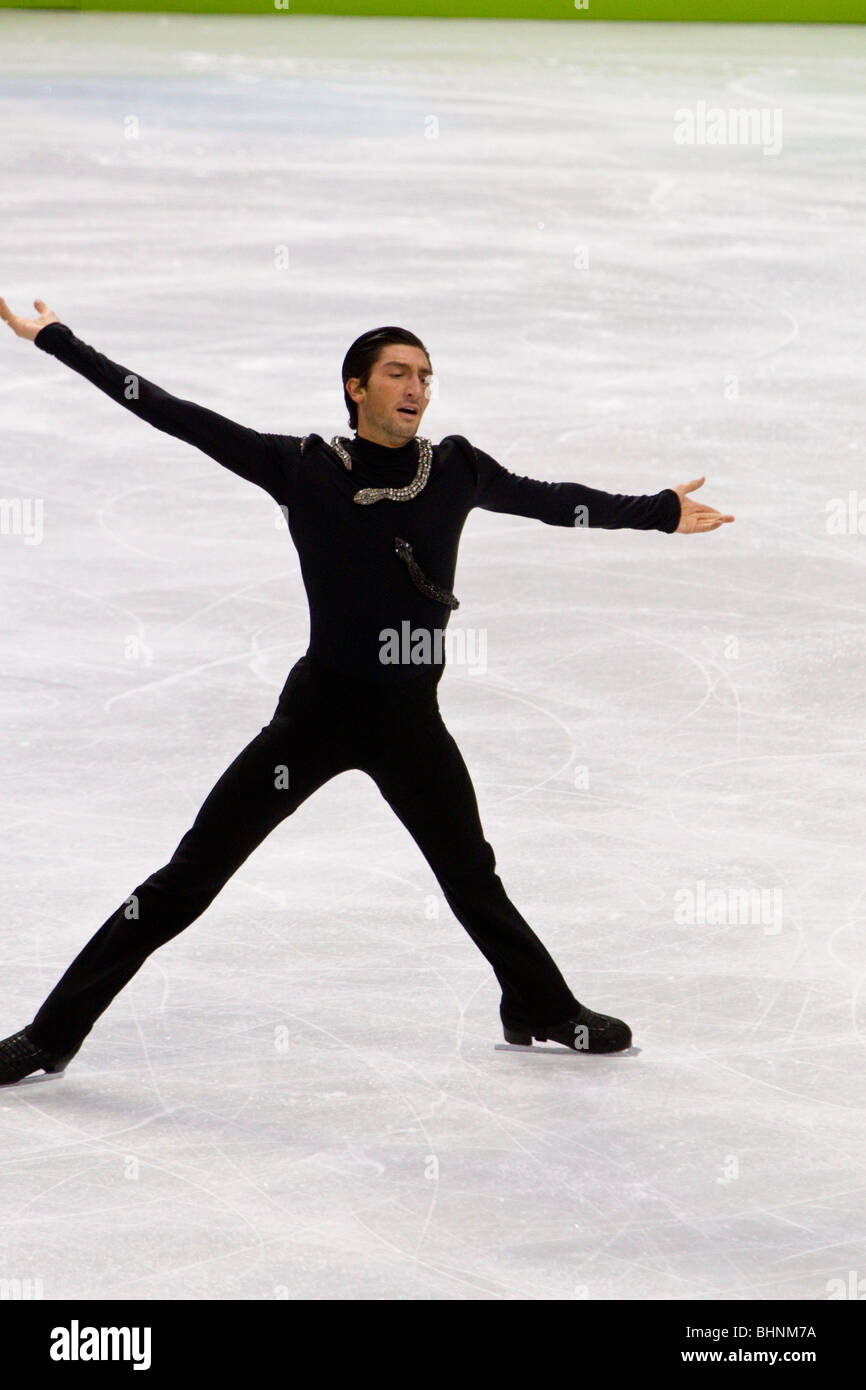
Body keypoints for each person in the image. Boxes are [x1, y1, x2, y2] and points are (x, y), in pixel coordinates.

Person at [0, 296, 734, 1085]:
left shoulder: (455, 468)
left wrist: (659, 512)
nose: (417, 387)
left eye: (425, 375)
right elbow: (174, 414)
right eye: (398, 372)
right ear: (357, 387)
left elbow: (553, 501)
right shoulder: (303, 467)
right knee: (187, 880)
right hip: (315, 719)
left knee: (471, 876)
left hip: (408, 723)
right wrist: (58, 341)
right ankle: (52, 1033)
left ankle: (540, 1007)